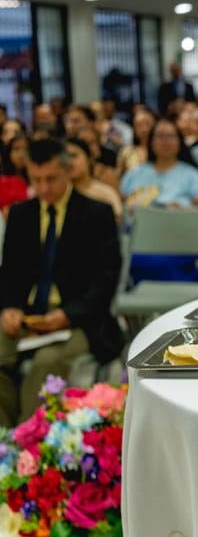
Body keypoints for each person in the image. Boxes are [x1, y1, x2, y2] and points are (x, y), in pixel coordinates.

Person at [0, 139, 123, 425]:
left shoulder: (96, 214)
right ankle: (6, 434)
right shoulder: (22, 214)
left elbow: (105, 280)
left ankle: (29, 438)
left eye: (51, 179)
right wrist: (9, 307)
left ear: (68, 172)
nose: (43, 188)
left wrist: (68, 314)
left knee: (45, 363)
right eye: (36, 180)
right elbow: (10, 274)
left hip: (79, 319)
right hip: (29, 316)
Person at [120, 118, 198, 209]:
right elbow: (121, 202)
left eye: (171, 136)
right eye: (160, 136)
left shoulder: (191, 174)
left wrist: (186, 209)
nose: (165, 141)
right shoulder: (135, 173)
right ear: (151, 142)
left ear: (179, 142)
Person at [65, 137, 122, 223]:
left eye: (74, 156)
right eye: (64, 158)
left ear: (89, 159)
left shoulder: (106, 194)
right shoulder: (57, 194)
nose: (69, 162)